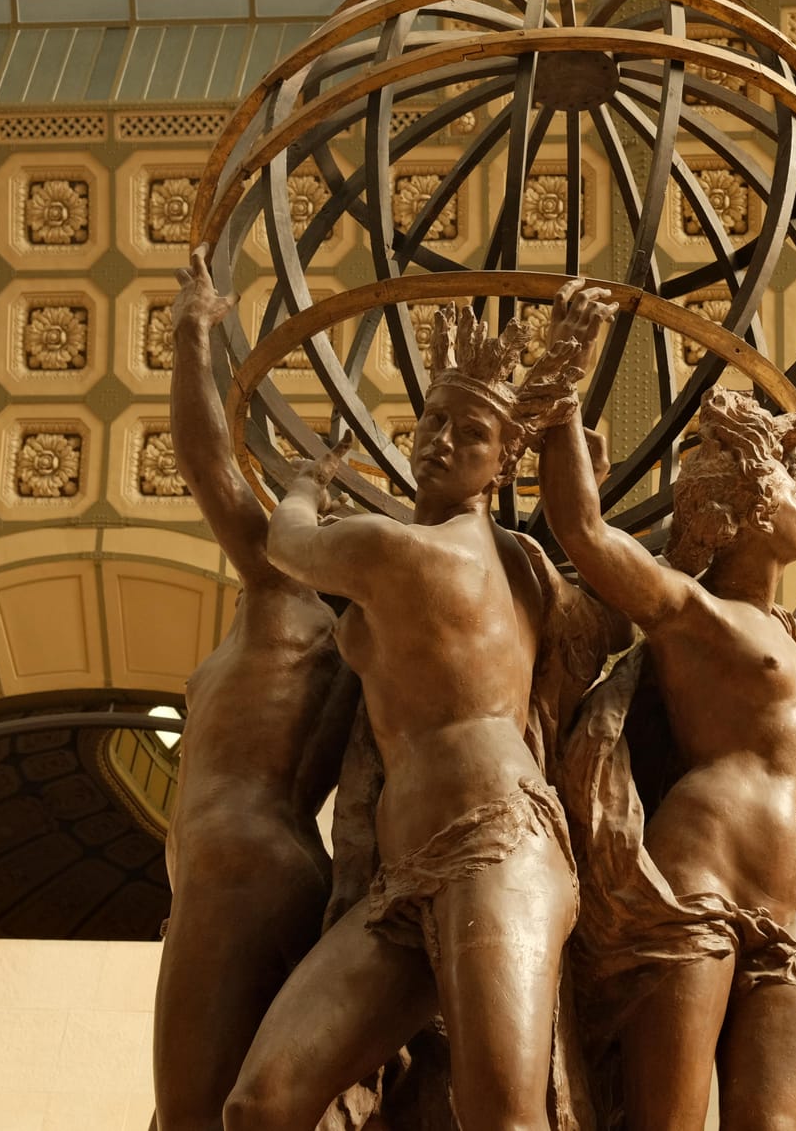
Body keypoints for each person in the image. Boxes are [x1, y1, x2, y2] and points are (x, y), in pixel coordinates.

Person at [224, 300, 606, 1131]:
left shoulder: (447, 556)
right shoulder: (472, 560)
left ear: (503, 463)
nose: (439, 439)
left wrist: (300, 488)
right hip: (399, 884)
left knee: (504, 1117)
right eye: (432, 418)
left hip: (499, 845)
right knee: (260, 1104)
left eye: (469, 431)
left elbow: (287, 544)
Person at [539, 282, 796, 1131]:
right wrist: (565, 392)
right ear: (749, 508)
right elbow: (581, 529)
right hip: (701, 878)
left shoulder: (790, 633)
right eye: (795, 486)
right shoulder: (692, 613)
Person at [153, 259, 360, 1131]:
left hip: (235, 863)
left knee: (193, 1120)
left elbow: (208, 468)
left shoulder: (286, 595)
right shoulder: (345, 639)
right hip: (275, 868)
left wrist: (192, 332)